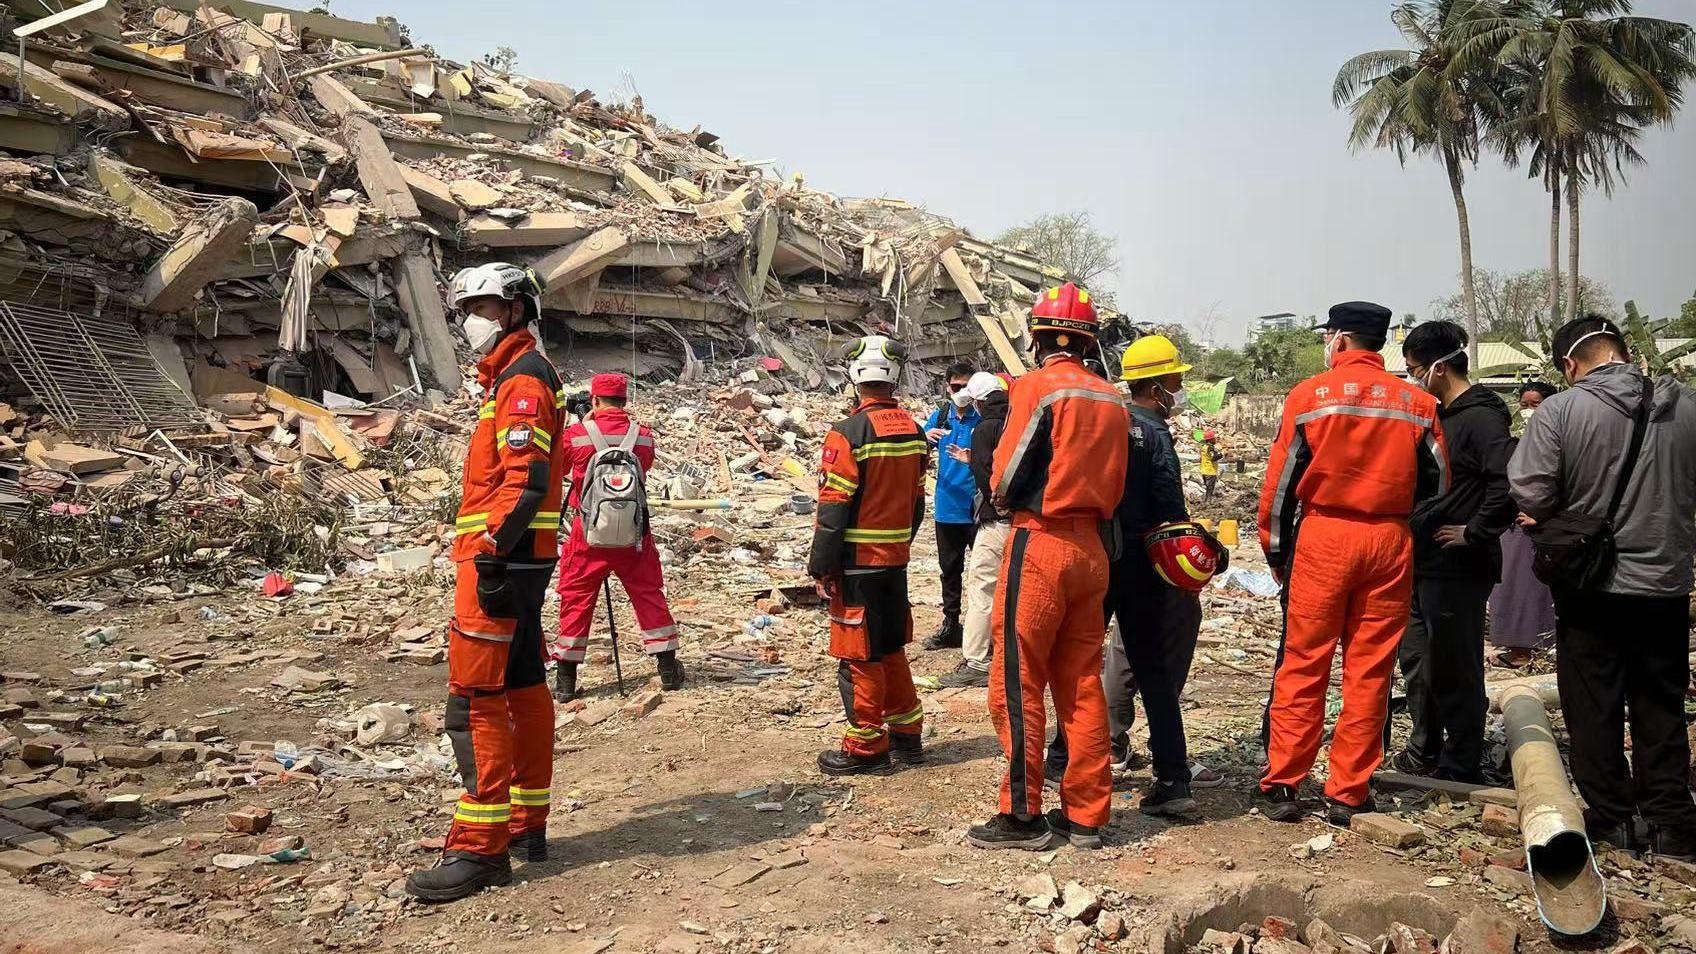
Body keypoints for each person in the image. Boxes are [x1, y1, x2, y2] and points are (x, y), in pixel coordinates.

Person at [1508, 315, 1696, 858]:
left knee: (1593, 700)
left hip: (1592, 584)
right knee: (1660, 702)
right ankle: (1670, 821)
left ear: (1569, 365)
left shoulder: (1562, 409)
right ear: (1624, 349)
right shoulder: (1686, 405)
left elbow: (1532, 493)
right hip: (1665, 582)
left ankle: (1613, 817)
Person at [1256, 301, 1446, 826]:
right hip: (1389, 541)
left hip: (1323, 538)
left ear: (1339, 340)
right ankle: (1349, 792)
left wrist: (1277, 552)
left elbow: (1278, 489)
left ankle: (1286, 785)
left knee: (1303, 662)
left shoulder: (1308, 396)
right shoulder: (1419, 403)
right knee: (1370, 671)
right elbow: (1439, 484)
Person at [407, 263, 563, 902]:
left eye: (488, 307)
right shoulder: (515, 379)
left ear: (519, 311)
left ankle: (480, 847)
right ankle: (527, 823)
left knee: (473, 700)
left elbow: (522, 480)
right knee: (523, 682)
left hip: (500, 561)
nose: (475, 318)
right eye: (468, 307)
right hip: (524, 558)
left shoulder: (522, 383)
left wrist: (492, 554)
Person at [969, 282, 1128, 851]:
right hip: (1093, 550)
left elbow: (1007, 477)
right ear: (1088, 342)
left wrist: (1002, 497)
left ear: (1038, 337)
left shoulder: (1036, 388)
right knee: (1081, 680)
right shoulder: (1112, 398)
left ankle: (1021, 814)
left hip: (1041, 544)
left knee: (1016, 679)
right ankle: (1087, 814)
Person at [1043, 335, 1220, 816]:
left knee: (1079, 663)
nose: (1180, 387)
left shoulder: (1104, 420)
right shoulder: (1155, 434)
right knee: (1154, 673)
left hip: (1096, 557)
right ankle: (1174, 779)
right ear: (1159, 383)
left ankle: (1064, 758)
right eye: (1177, 380)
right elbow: (1170, 511)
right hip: (1144, 566)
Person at [1393, 321, 1515, 783]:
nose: (1411, 378)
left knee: (1456, 665)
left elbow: (1508, 482)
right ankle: (1423, 748)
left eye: (1415, 370)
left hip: (1458, 566)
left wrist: (1475, 531)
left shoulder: (1481, 418)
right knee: (1420, 663)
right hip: (1422, 561)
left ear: (1440, 368)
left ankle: (1461, 760)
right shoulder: (1436, 415)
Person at [809, 336, 929, 775]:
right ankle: (907, 737)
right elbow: (916, 504)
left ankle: (866, 748)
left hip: (858, 563)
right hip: (895, 562)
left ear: (856, 379)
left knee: (859, 656)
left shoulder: (848, 433)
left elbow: (833, 506)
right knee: (891, 647)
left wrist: (821, 565)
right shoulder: (915, 433)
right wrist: (899, 543)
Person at [550, 373, 683, 701]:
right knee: (649, 595)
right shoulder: (643, 437)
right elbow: (645, 466)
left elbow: (562, 466)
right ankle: (668, 669)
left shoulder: (577, 435)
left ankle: (565, 681)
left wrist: (585, 422)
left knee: (576, 598)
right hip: (634, 535)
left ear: (594, 400)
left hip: (588, 535)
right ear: (625, 401)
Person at [939, 372, 1010, 688]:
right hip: (1027, 524)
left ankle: (979, 663)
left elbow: (987, 478)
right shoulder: (1019, 420)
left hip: (996, 522)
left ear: (979, 402)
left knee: (982, 590)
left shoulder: (984, 428)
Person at [1488, 382, 1559, 665]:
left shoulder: (1558, 436)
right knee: (1510, 587)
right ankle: (1518, 648)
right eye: (1524, 404)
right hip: (1512, 523)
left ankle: (1544, 646)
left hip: (1544, 524)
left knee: (1538, 590)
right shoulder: (1514, 437)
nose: (1528, 411)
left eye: (1536, 404)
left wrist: (1542, 513)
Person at [921, 362, 979, 650]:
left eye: (967, 387)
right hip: (946, 507)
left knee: (984, 574)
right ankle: (951, 624)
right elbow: (918, 447)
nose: (961, 393)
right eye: (956, 387)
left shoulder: (982, 419)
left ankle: (985, 631)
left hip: (977, 509)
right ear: (947, 387)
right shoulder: (941, 416)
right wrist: (925, 437)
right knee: (950, 570)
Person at [1199, 430, 1221, 499]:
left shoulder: (1204, 446)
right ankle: (1207, 504)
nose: (1215, 439)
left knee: (1208, 488)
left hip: (1204, 470)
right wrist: (1222, 454)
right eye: (1214, 438)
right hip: (1210, 471)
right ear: (1211, 439)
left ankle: (1206, 502)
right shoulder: (1210, 448)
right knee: (1210, 489)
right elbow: (1213, 458)